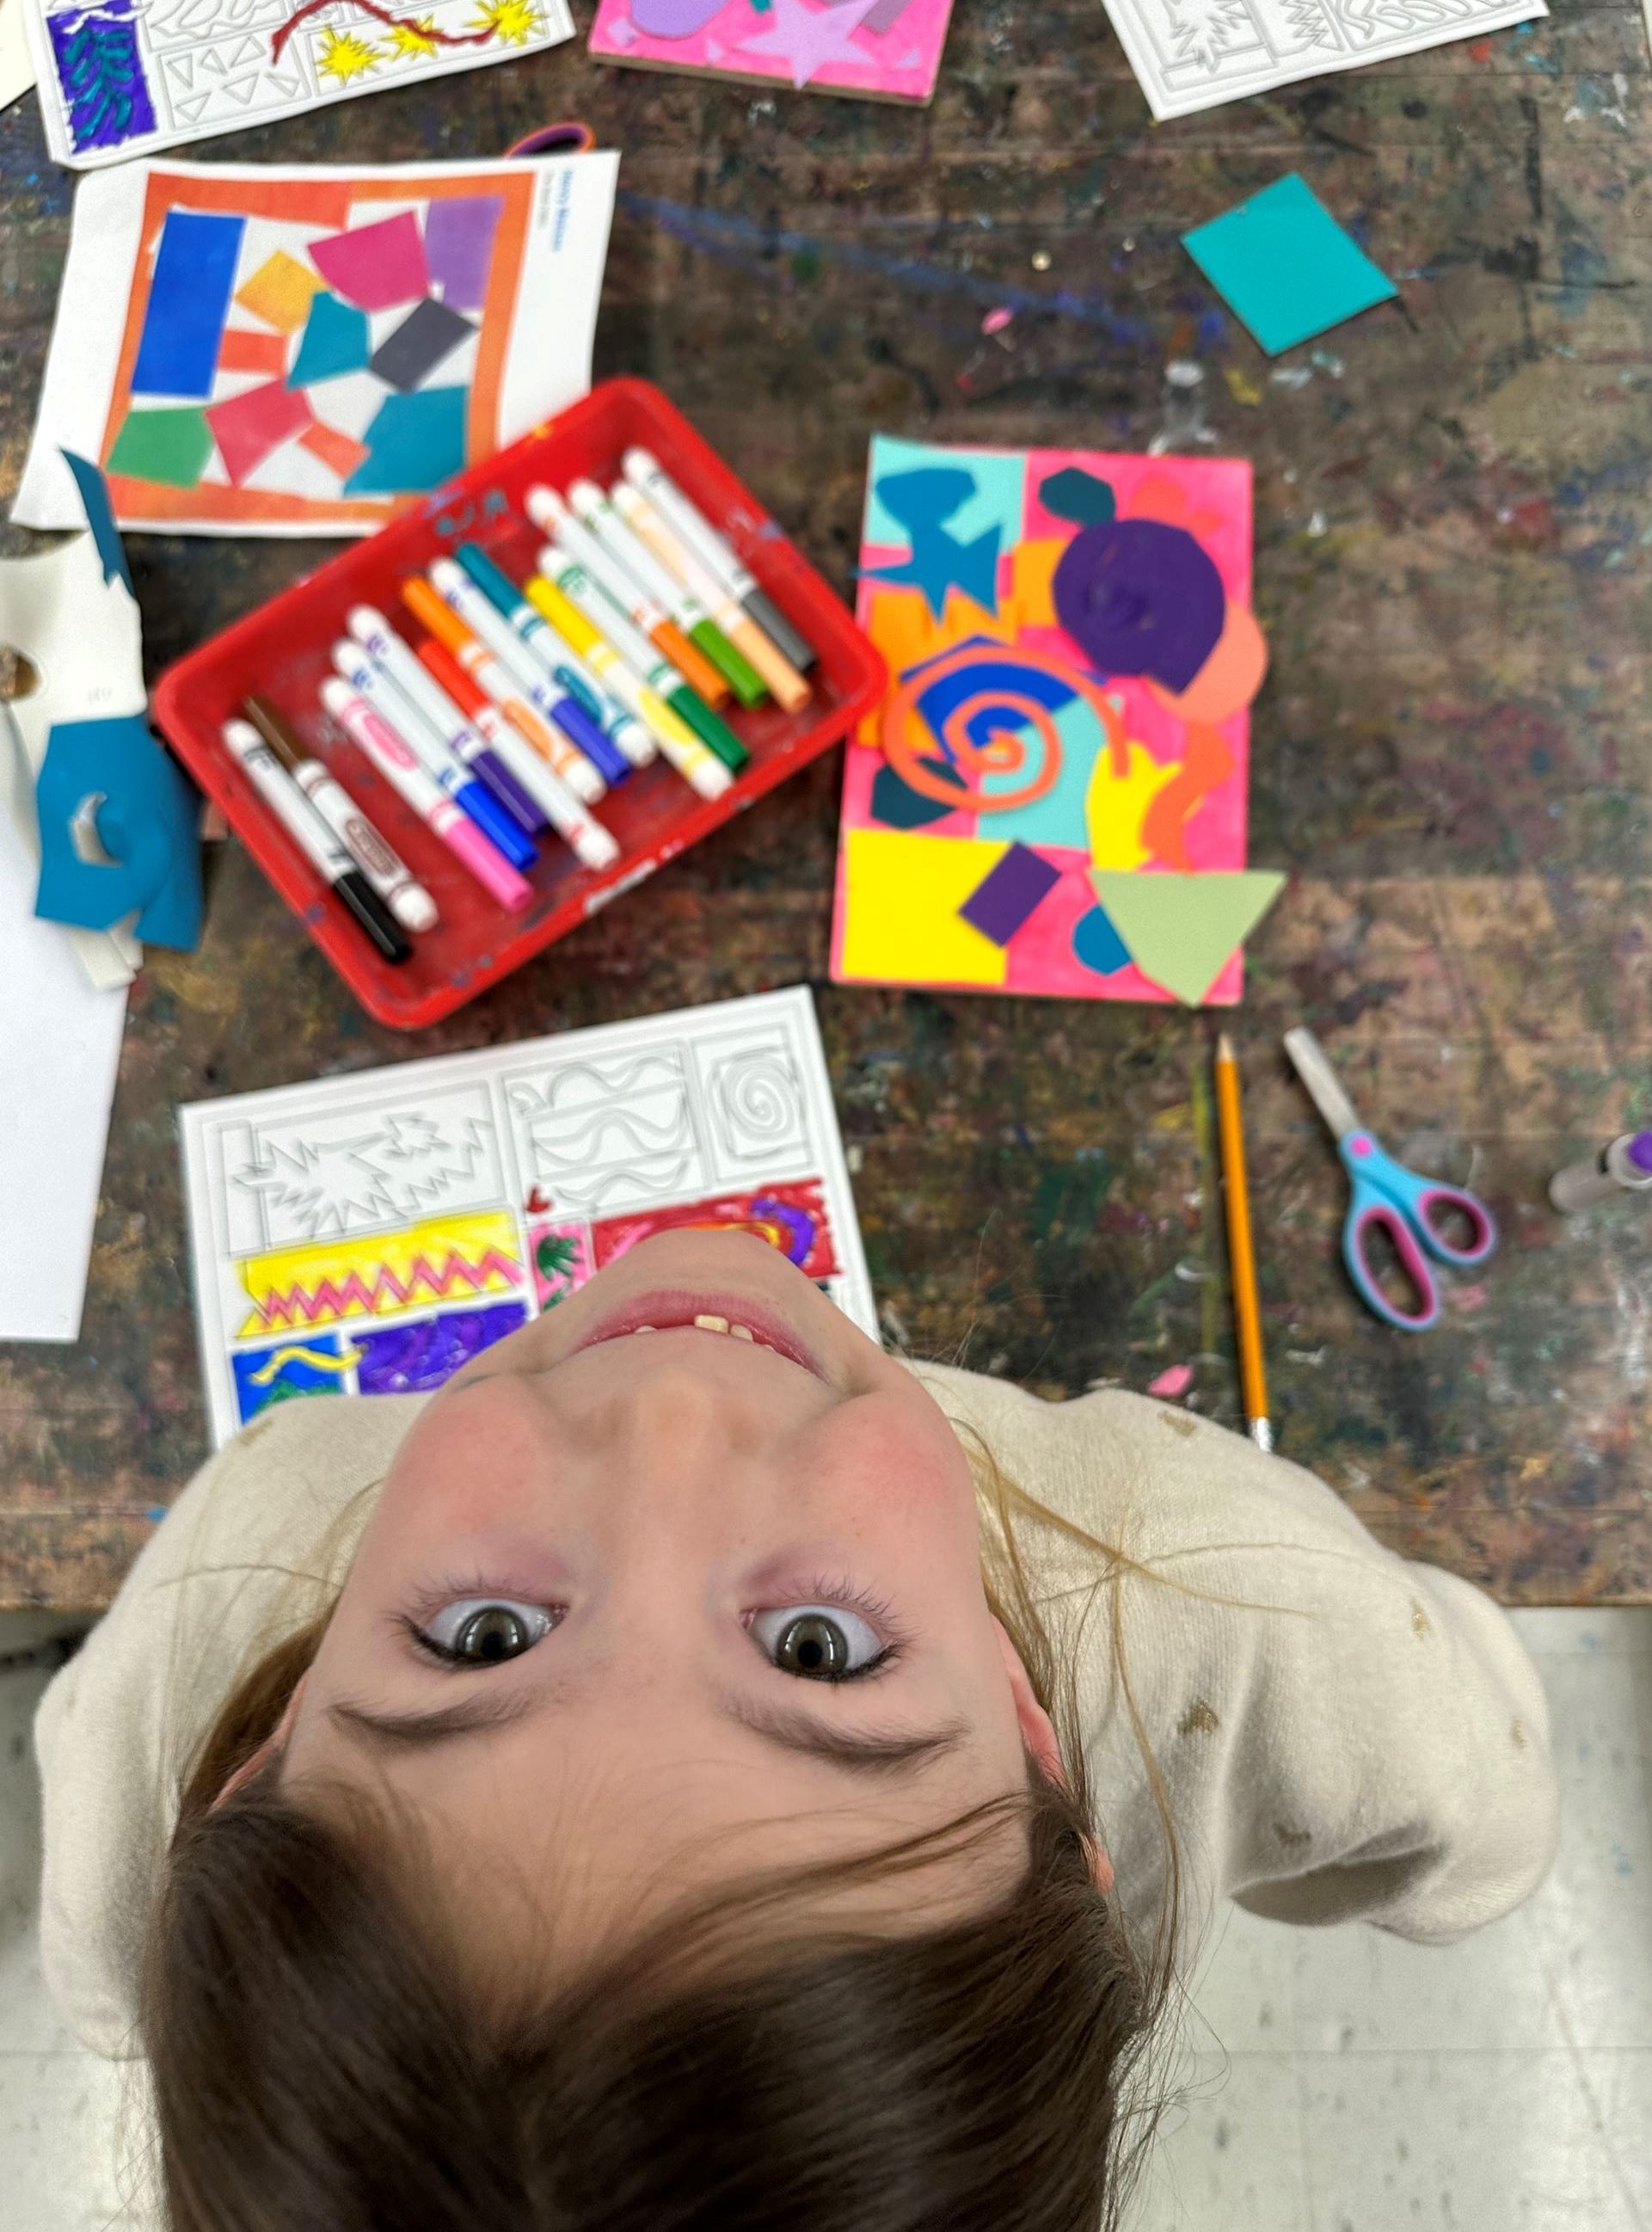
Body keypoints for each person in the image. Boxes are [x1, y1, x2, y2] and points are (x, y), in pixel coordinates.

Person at [35, 1228, 1558, 2232]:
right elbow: (1478, 1800)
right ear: (1045, 1770)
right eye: (818, 1657)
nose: (670, 1425)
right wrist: (1344, 1872)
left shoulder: (250, 1540)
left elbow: (121, 1986)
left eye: (481, 1640)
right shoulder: (1221, 1579)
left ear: (258, 1762)